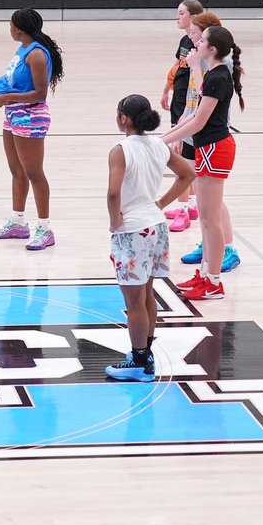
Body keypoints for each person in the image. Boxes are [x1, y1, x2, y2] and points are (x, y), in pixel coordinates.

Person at [104, 94, 197, 382]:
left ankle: (139, 360)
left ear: (124, 119)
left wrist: (114, 219)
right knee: (147, 295)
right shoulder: (159, 145)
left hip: (133, 229)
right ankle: (146, 352)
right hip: (156, 227)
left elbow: (113, 192)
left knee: (133, 302)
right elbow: (188, 173)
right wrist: (161, 203)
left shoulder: (120, 150)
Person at [162, 25, 244, 300]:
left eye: (202, 41)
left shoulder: (219, 77)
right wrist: (164, 137)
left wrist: (161, 143)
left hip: (215, 148)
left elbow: (199, 121)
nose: (196, 44)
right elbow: (192, 116)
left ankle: (214, 281)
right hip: (208, 147)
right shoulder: (213, 75)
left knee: (210, 220)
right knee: (207, 220)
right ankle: (206, 275)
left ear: (213, 49)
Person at [0, 8, 64, 251]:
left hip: (31, 116)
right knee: (17, 171)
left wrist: (7, 96)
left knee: (34, 173)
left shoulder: (37, 55)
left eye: (10, 25)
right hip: (14, 113)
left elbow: (40, 94)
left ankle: (45, 228)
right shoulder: (23, 49)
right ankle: (18, 222)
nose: (9, 29)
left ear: (18, 28)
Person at [176, 12, 241, 271]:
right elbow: (196, 92)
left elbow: (205, 99)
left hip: (209, 132)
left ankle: (226, 248)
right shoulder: (201, 58)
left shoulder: (216, 65)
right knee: (205, 199)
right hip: (194, 124)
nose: (192, 39)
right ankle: (209, 247)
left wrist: (178, 129)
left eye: (196, 35)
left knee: (213, 201)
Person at [160, 0, 203, 231]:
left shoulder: (201, 46)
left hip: (191, 103)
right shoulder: (185, 41)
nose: (178, 17)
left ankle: (184, 210)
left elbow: (198, 80)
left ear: (194, 16)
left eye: (182, 13)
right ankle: (191, 205)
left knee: (184, 158)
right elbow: (177, 67)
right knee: (186, 156)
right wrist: (166, 88)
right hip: (180, 100)